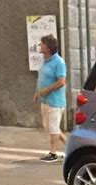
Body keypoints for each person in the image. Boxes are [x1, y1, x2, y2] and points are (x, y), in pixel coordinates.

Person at [34, 34, 67, 162]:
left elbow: (61, 82)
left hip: (55, 101)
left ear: (48, 47)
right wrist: (37, 93)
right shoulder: (45, 61)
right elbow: (41, 79)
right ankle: (69, 146)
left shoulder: (59, 62)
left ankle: (53, 153)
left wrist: (45, 91)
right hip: (45, 100)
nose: (39, 46)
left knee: (53, 127)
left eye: (41, 44)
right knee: (49, 127)